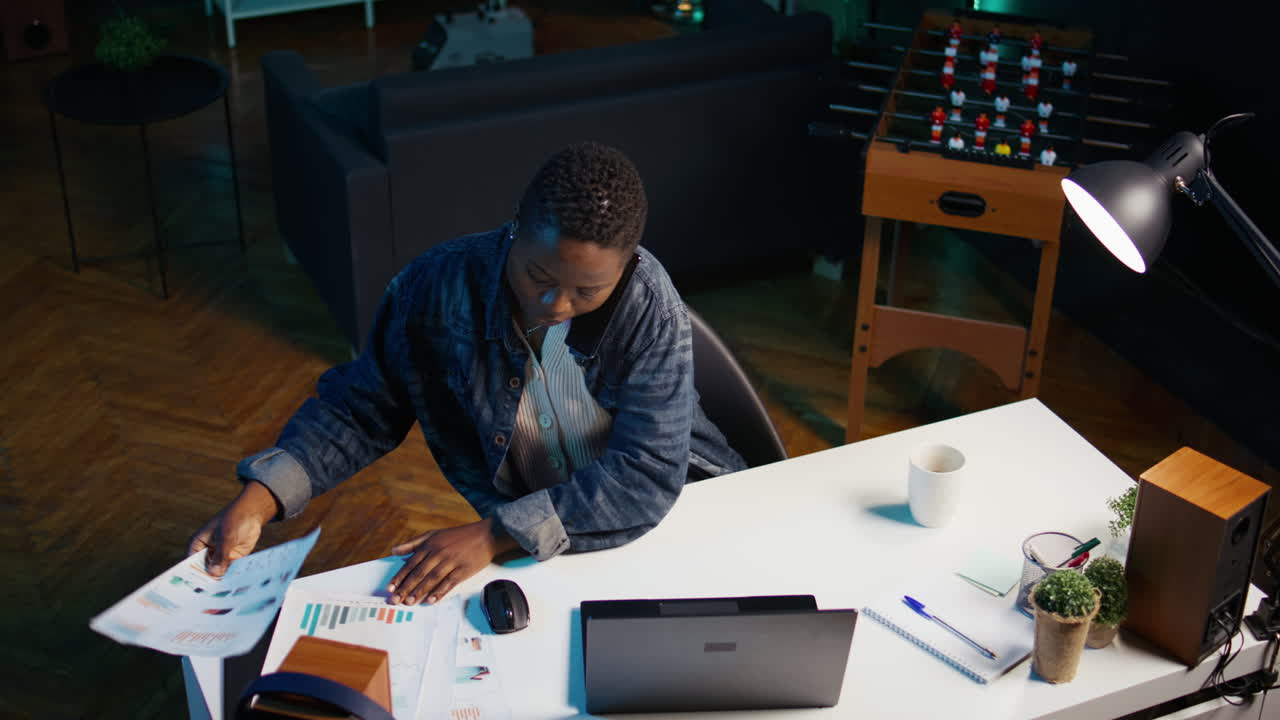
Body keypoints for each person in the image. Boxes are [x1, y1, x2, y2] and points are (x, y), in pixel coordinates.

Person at [187, 142, 747, 607]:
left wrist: (494, 534)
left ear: (626, 266)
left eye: (587, 292)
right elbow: (361, 408)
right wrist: (258, 501)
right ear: (515, 228)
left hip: (677, 514)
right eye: (538, 276)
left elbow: (646, 473)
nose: (556, 305)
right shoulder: (434, 287)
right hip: (544, 539)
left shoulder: (649, 304)